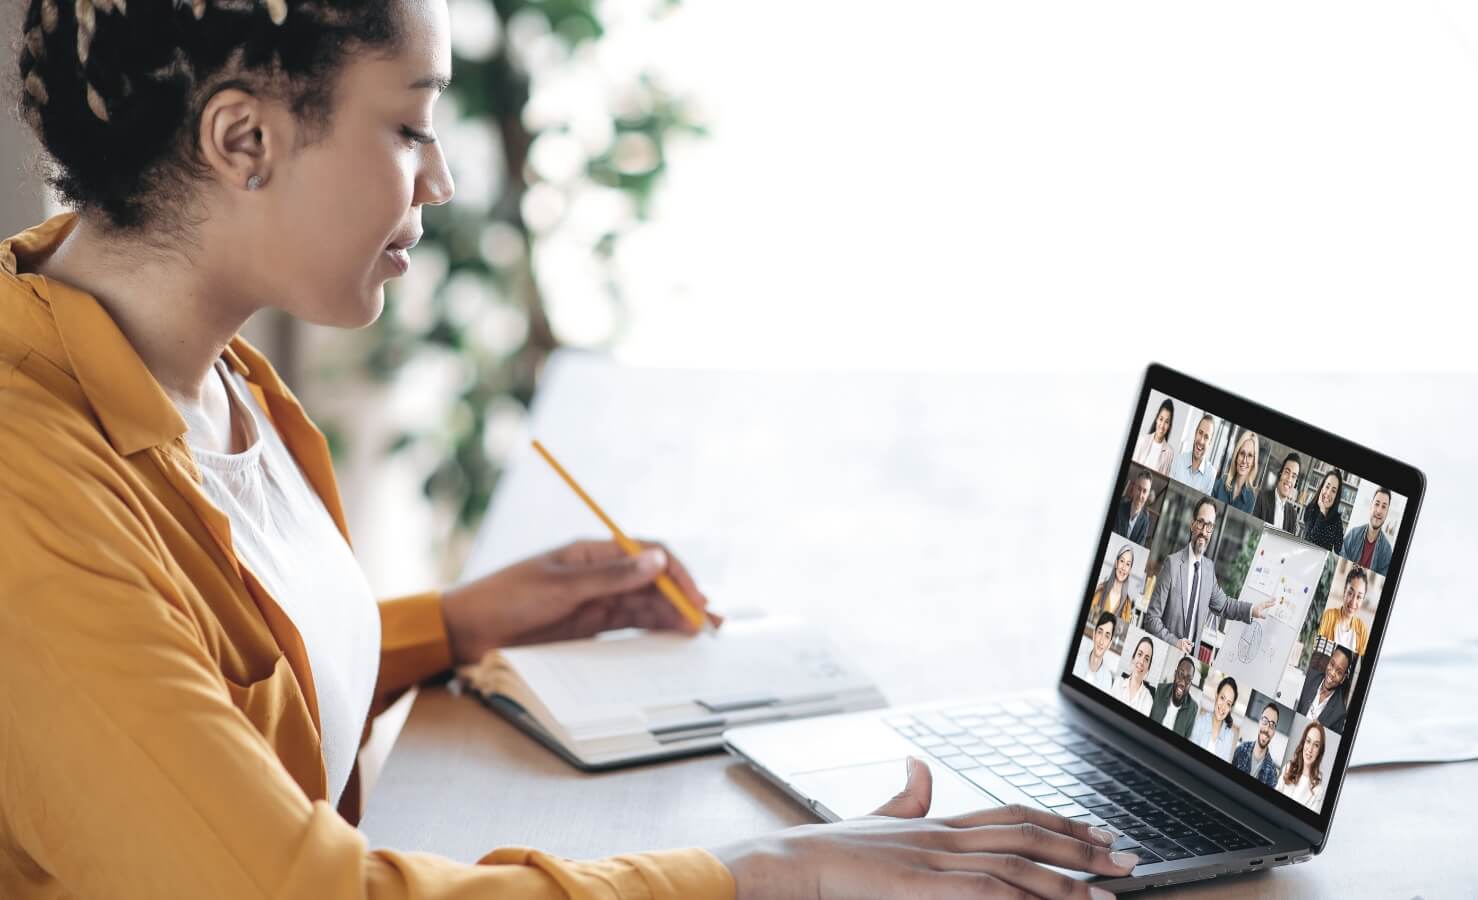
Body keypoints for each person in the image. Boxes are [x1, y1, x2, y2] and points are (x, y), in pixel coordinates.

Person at [0, 1, 1139, 896]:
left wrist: (450, 626)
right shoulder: (30, 485)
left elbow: (186, 681)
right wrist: (764, 879)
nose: (439, 179)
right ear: (242, 137)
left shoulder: (206, 370)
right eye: (408, 125)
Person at [1143, 498, 1280, 654]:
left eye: (1209, 526)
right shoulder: (1172, 564)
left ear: (1212, 530)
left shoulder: (1208, 569)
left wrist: (1252, 610)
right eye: (1201, 523)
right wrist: (1175, 643)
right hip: (1166, 652)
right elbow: (1151, 619)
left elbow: (1224, 605)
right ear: (1192, 524)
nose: (1204, 531)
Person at [1295, 646, 1353, 732]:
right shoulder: (1309, 677)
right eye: (1332, 664)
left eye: (1339, 672)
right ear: (1328, 662)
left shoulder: (1339, 713)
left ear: (1343, 679)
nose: (1332, 673)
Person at [1276, 721, 1328, 812]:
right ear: (1303, 743)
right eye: (1308, 741)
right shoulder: (1288, 768)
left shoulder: (1318, 790)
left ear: (1319, 751)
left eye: (1316, 745)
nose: (1310, 749)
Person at [1341, 487, 1394, 576]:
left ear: (1387, 512)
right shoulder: (1353, 535)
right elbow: (1340, 565)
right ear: (1371, 506)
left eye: (1384, 507)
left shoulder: (1387, 551)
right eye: (1377, 504)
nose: (1379, 511)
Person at [1317, 567, 1371, 655]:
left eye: (1359, 597)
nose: (1353, 602)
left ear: (1363, 600)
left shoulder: (1362, 630)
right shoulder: (1328, 616)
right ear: (1344, 591)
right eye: (1350, 593)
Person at [1188, 676, 1239, 761]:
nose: (1223, 707)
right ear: (1216, 695)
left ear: (1230, 708)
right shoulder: (1201, 721)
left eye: (1228, 704)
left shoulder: (1229, 736)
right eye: (1222, 698)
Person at [1231, 702, 1282, 787]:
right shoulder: (1240, 750)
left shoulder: (1272, 774)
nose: (1267, 728)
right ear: (1259, 722)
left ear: (1274, 732)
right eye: (1265, 721)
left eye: (1272, 725)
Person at [1148, 656, 1200, 736]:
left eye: (1188, 679)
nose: (1183, 683)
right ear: (1175, 674)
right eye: (1181, 674)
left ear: (1190, 684)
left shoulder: (1193, 709)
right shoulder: (1159, 690)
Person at [1252, 452, 1302, 535]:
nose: (1289, 479)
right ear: (1280, 473)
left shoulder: (1293, 514)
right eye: (1287, 472)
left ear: (1295, 483)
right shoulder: (1261, 498)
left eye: (1293, 476)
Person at [1089, 544, 1139, 625]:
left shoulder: (1127, 603)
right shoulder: (1100, 590)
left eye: (1128, 564)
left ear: (1130, 570)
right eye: (1122, 561)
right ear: (1116, 563)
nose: (1123, 567)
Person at [1210, 429, 1259, 513]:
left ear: (1253, 463)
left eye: (1250, 455)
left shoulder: (1251, 500)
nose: (1244, 460)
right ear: (1236, 455)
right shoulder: (1221, 482)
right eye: (1242, 453)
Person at [1301, 468, 1347, 552]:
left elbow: (1340, 551)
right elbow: (1309, 542)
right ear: (1322, 487)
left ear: (1336, 496)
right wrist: (1322, 512)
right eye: (1327, 487)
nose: (1328, 493)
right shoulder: (1311, 509)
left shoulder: (1337, 521)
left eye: (1333, 491)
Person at [1072, 612, 1120, 692]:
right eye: (1100, 632)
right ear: (1094, 635)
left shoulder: (1107, 680)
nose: (1101, 641)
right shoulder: (1076, 662)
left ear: (1109, 644)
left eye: (1107, 636)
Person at [1170, 413, 1216, 491]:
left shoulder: (1211, 474)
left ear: (1210, 442)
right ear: (1195, 433)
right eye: (1200, 433)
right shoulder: (1178, 460)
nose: (1201, 441)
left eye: (1206, 437)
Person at [1115, 635, 1157, 715]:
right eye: (1140, 654)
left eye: (1146, 659)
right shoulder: (1117, 683)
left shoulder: (1148, 700)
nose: (1141, 661)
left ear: (1148, 668)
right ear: (1133, 658)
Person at [1133, 398, 1176, 475]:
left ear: (1169, 425)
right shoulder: (1142, 440)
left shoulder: (1169, 453)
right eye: (1161, 419)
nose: (1162, 425)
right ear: (1156, 419)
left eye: (1166, 422)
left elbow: (1164, 479)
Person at [1111, 471, 1153, 545]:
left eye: (1145, 491)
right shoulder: (1119, 508)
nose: (1140, 495)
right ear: (1134, 488)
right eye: (1139, 489)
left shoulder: (1145, 521)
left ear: (1147, 495)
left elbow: (1138, 548)